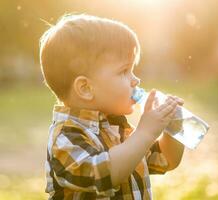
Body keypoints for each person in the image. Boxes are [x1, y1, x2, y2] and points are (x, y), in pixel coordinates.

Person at [39, 14, 185, 199]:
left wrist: (174, 127)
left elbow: (166, 160)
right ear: (85, 88)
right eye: (124, 71)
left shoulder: (118, 129)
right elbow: (104, 175)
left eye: (133, 70)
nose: (136, 80)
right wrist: (145, 133)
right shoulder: (66, 137)